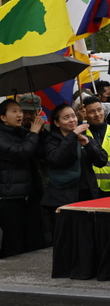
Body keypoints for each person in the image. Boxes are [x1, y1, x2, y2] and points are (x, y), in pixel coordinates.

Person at [40, 104, 108, 217]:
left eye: (73, 116)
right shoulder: (52, 140)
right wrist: (72, 135)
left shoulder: (85, 137)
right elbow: (58, 159)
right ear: (57, 123)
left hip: (88, 194)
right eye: (66, 118)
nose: (72, 120)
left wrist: (87, 145)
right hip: (62, 197)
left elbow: (102, 161)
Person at [0, 100, 45, 258]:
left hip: (27, 193)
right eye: (14, 111)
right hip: (8, 196)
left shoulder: (20, 132)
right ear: (3, 118)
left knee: (31, 238)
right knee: (13, 240)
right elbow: (20, 152)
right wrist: (33, 133)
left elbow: (39, 152)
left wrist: (39, 131)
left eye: (20, 111)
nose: (19, 114)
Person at [82, 96, 110, 196]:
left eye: (99, 110)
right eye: (91, 111)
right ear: (85, 114)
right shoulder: (81, 134)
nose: (97, 114)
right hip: (90, 188)